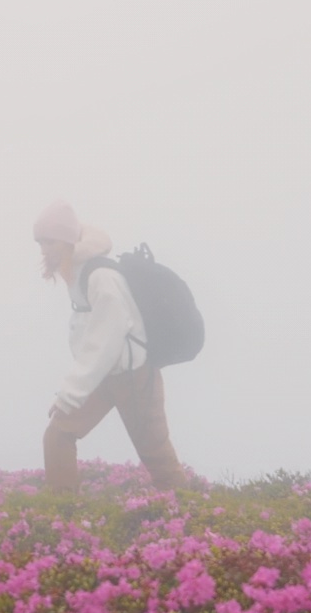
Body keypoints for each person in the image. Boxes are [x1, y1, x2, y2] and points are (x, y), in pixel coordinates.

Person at [34, 200, 189, 494]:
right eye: (40, 242)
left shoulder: (101, 276)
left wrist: (70, 394)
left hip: (134, 376)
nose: (43, 249)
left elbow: (104, 341)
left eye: (49, 241)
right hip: (104, 375)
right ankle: (61, 515)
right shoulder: (78, 272)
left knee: (156, 455)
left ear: (67, 241)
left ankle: (191, 519)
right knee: (58, 434)